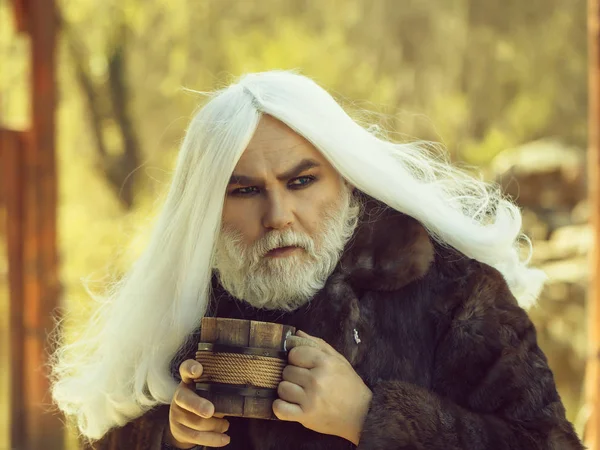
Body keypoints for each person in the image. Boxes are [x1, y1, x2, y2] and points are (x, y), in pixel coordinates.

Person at [50, 70, 584, 450]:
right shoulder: (182, 309)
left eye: (301, 181)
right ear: (208, 210)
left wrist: (369, 419)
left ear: (347, 182)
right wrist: (172, 434)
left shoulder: (451, 291)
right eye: (243, 190)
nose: (277, 213)